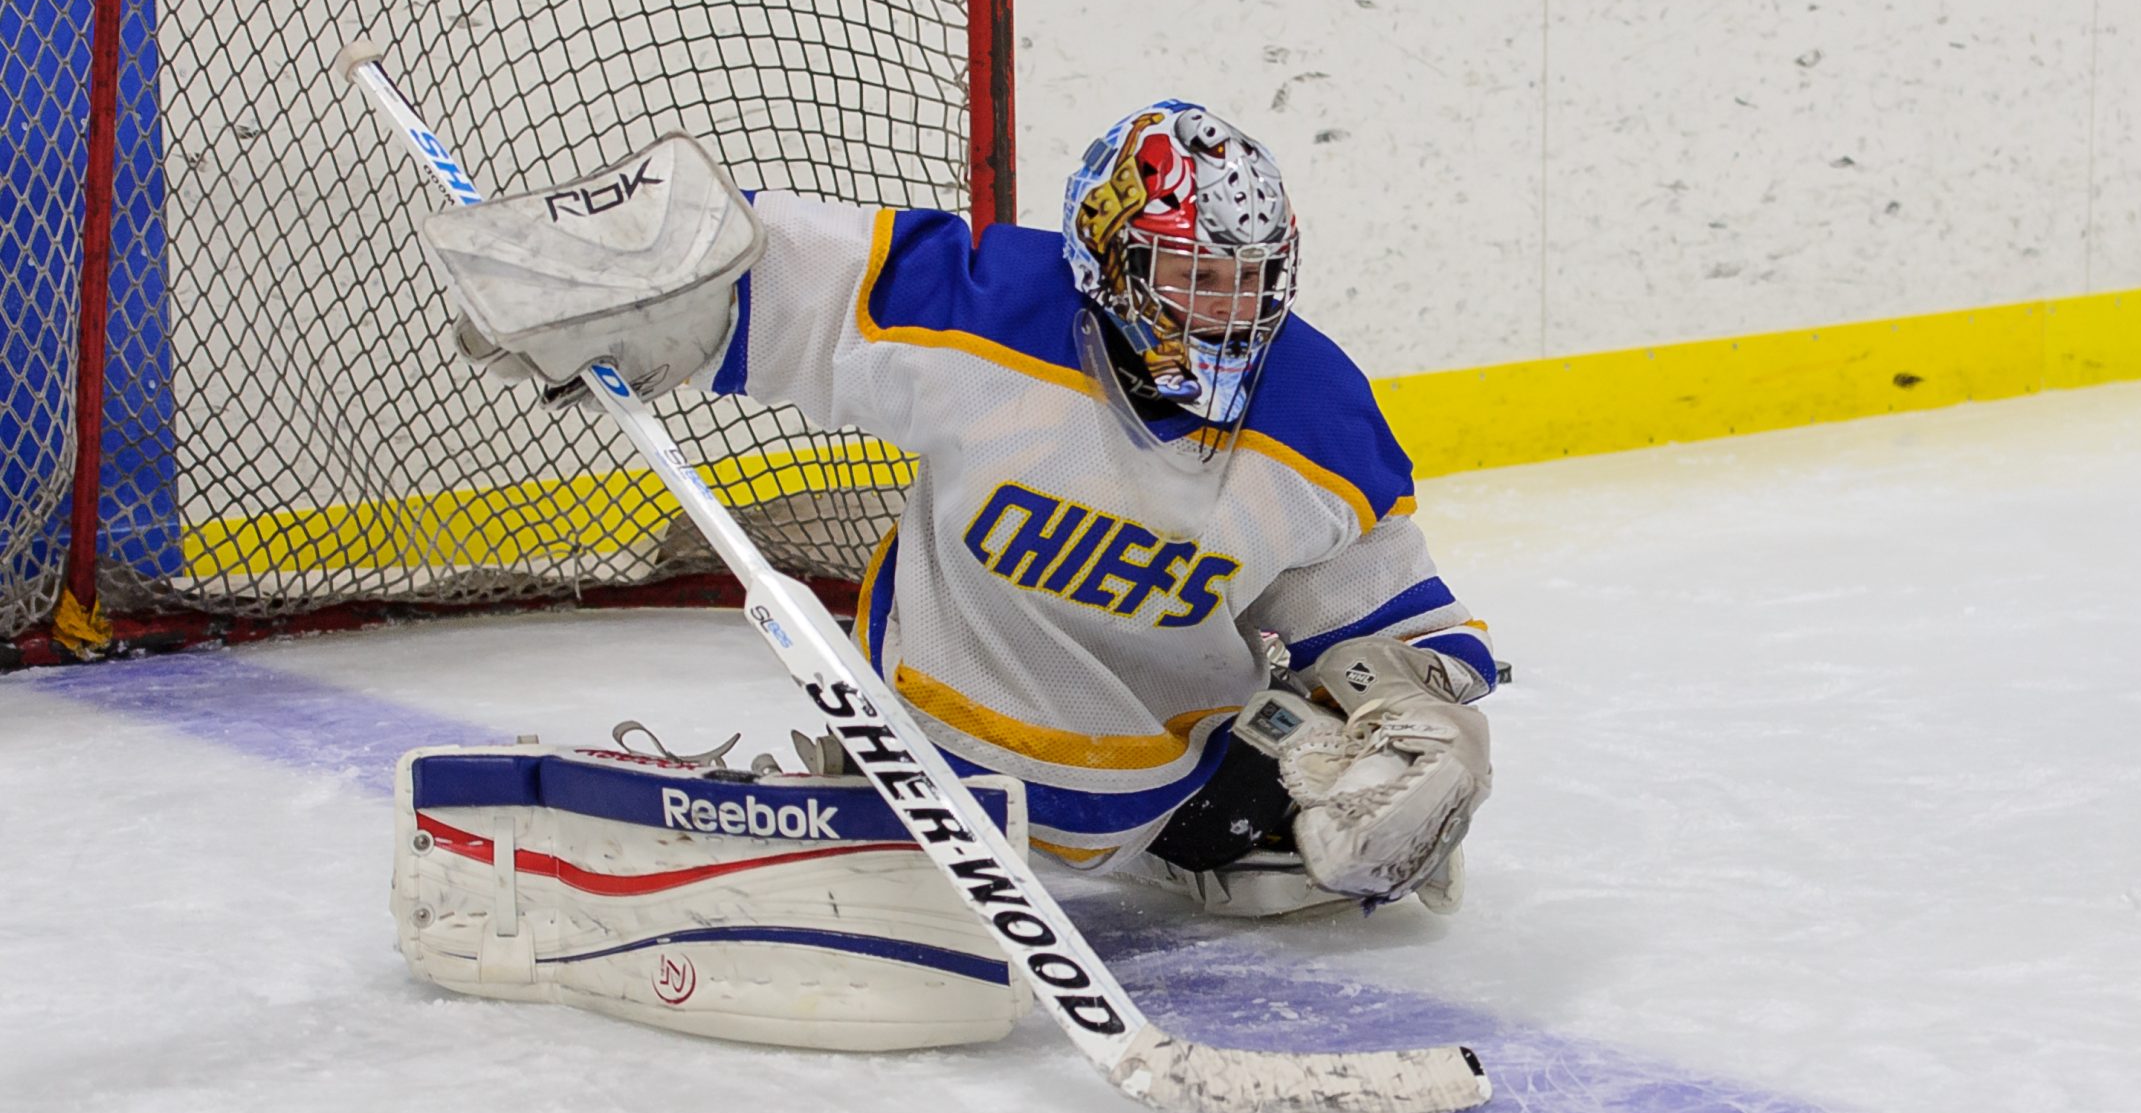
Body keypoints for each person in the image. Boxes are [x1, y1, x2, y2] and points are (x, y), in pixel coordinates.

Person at [440, 101, 1494, 918]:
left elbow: (1376, 621)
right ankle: (828, 819)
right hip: (930, 776)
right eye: (1187, 276)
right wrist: (638, 277)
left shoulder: (1318, 414)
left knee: (1344, 846)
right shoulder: (986, 313)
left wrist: (1423, 731)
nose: (1225, 312)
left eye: (1247, 279)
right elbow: (785, 270)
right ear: (1105, 256)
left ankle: (1197, 842)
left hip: (1169, 797)